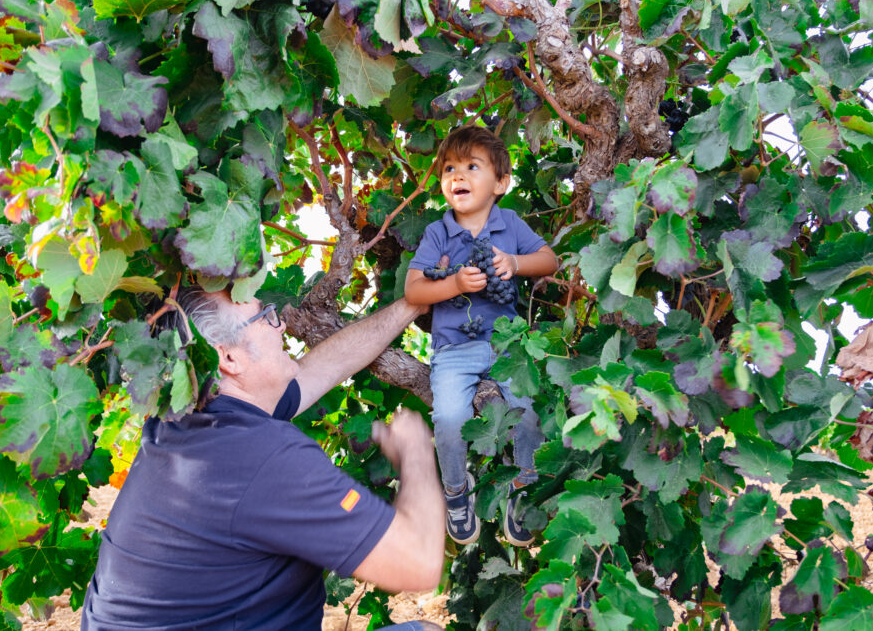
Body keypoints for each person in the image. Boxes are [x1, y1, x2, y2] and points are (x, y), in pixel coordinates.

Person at [80, 287, 445, 630]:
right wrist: (416, 455)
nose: (282, 323)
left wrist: (410, 304)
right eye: (266, 316)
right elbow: (418, 563)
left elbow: (325, 367)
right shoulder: (263, 460)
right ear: (228, 357)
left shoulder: (185, 424)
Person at [403, 126, 558, 547]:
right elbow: (414, 289)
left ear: (501, 183)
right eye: (450, 168)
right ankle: (456, 489)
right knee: (449, 419)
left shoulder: (509, 224)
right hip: (454, 350)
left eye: (472, 167)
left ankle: (523, 486)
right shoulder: (438, 233)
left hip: (507, 347)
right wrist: (453, 285)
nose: (458, 176)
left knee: (527, 411)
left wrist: (515, 262)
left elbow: (550, 260)